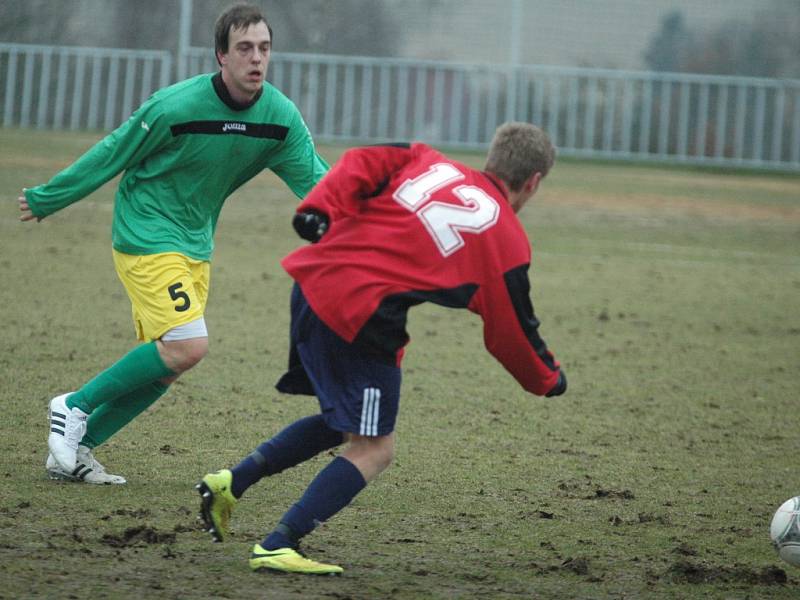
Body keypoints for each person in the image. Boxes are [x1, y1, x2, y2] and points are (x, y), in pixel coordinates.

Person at [197, 122, 568, 574]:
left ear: (493, 157)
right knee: (375, 446)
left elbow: (360, 161)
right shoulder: (506, 237)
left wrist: (318, 207)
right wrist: (547, 378)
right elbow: (512, 331)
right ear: (533, 182)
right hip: (360, 315)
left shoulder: (426, 158)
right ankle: (278, 543)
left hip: (315, 284)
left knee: (347, 421)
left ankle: (231, 483)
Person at [18, 3, 328, 484]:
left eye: (264, 48)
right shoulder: (174, 106)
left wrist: (372, 223)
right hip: (145, 232)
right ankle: (72, 406)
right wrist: (49, 198)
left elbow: (319, 185)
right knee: (187, 345)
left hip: (194, 243)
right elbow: (113, 152)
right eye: (244, 48)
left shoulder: (279, 117)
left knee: (166, 365)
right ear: (220, 56)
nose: (256, 59)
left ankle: (78, 450)